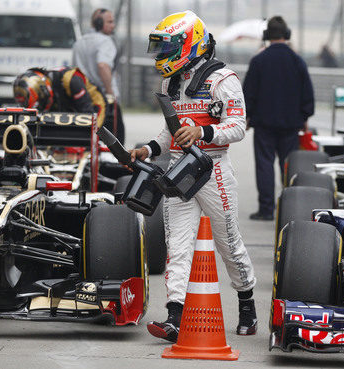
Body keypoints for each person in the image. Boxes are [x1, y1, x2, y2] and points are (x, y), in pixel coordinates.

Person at [129, 10, 257, 343]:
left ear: (190, 43)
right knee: (178, 245)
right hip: (177, 170)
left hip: (213, 169)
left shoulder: (223, 79)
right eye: (159, 46)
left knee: (228, 242)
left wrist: (202, 131)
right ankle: (174, 316)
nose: (161, 54)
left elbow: (238, 127)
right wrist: (148, 149)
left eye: (167, 46)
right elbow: (167, 132)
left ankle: (247, 305)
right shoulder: (169, 82)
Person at [243, 16, 314, 221]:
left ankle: (266, 210)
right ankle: (290, 210)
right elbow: (307, 94)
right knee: (288, 167)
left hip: (264, 125)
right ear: (287, 34)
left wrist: (247, 117)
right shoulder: (297, 60)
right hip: (291, 126)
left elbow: (249, 93)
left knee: (264, 165)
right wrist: (304, 117)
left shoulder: (258, 60)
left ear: (267, 36)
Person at [72, 8, 125, 143]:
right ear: (100, 23)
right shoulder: (105, 41)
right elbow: (103, 65)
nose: (113, 25)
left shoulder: (80, 42)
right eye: (110, 22)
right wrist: (110, 93)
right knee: (115, 142)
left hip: (82, 97)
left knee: (87, 138)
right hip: (102, 99)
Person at [13, 67, 107, 128]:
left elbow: (87, 113)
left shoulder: (70, 80)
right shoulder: (45, 85)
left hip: (94, 103)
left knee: (91, 127)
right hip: (67, 104)